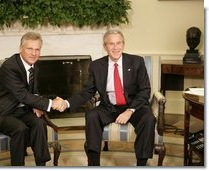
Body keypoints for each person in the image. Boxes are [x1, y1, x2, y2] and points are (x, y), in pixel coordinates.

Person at [57, 30, 156, 166]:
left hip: (133, 106)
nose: (115, 47)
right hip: (109, 107)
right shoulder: (96, 65)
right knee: (92, 116)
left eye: (118, 43)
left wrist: (130, 111)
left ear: (123, 44)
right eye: (111, 44)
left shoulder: (137, 62)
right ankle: (94, 164)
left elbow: (145, 91)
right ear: (105, 47)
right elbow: (87, 91)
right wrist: (67, 103)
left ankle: (141, 164)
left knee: (149, 118)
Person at [0, 32, 63, 166]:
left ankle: (41, 165)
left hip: (19, 111)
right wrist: (50, 103)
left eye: (37, 49)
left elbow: (32, 90)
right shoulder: (10, 66)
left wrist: (37, 103)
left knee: (40, 124)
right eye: (29, 49)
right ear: (21, 48)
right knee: (20, 129)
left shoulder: (35, 64)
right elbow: (22, 94)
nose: (34, 53)